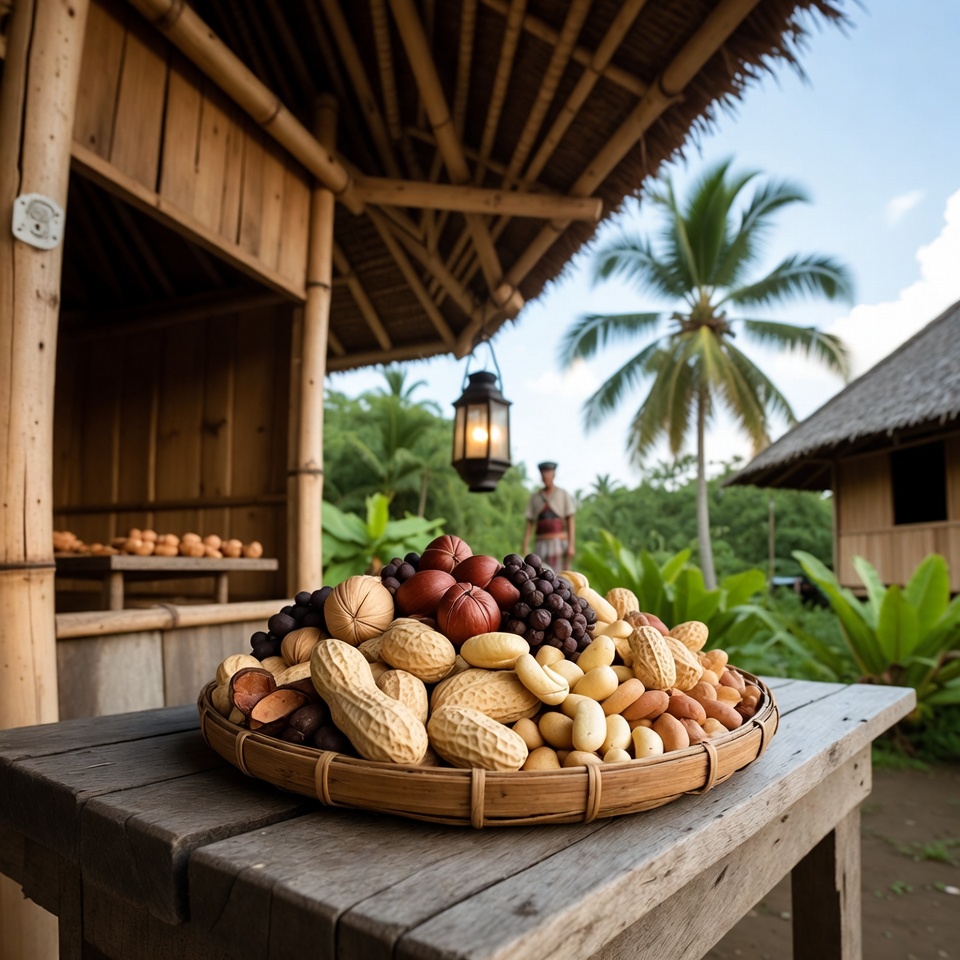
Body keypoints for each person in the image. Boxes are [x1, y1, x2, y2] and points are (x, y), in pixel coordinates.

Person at [522, 461, 576, 572]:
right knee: (540, 573)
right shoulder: (535, 497)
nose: (546, 477)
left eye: (548, 473)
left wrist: (571, 545)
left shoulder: (562, 494)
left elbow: (570, 520)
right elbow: (530, 523)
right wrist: (525, 544)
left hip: (559, 543)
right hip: (541, 544)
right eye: (543, 474)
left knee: (560, 576)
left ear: (553, 475)